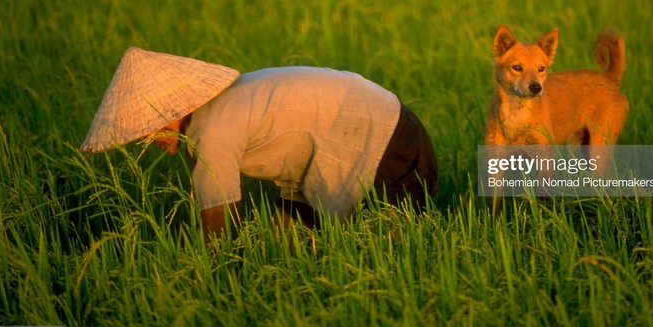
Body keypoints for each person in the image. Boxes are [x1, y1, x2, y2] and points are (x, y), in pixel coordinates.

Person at [81, 47, 438, 242]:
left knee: (391, 243)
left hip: (388, 140)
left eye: (152, 124)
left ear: (176, 106)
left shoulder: (212, 132)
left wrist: (212, 280)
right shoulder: (209, 116)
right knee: (284, 243)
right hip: (365, 130)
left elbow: (217, 228)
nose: (149, 137)